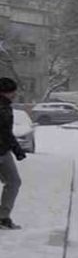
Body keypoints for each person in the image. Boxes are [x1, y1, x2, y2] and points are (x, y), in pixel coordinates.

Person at [0, 77, 26, 230]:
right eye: (12, 92)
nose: (15, 94)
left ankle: (3, 217)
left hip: (4, 151)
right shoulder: (3, 108)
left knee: (14, 181)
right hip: (3, 150)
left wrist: (15, 150)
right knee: (13, 182)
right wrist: (17, 150)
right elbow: (4, 132)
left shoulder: (6, 107)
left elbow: (6, 133)